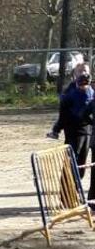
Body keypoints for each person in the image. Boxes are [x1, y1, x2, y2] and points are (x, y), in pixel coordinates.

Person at [55, 72, 94, 205]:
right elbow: (63, 116)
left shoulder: (91, 92)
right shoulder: (70, 95)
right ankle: (66, 197)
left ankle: (76, 192)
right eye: (82, 83)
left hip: (87, 133)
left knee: (81, 166)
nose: (84, 86)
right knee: (71, 164)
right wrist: (57, 129)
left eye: (86, 83)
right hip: (73, 133)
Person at [47, 62, 91, 140]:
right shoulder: (70, 89)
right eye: (80, 71)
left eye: (85, 70)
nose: (83, 73)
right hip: (73, 130)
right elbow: (63, 112)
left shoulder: (91, 89)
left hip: (87, 130)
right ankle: (56, 131)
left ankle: (56, 130)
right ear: (74, 74)